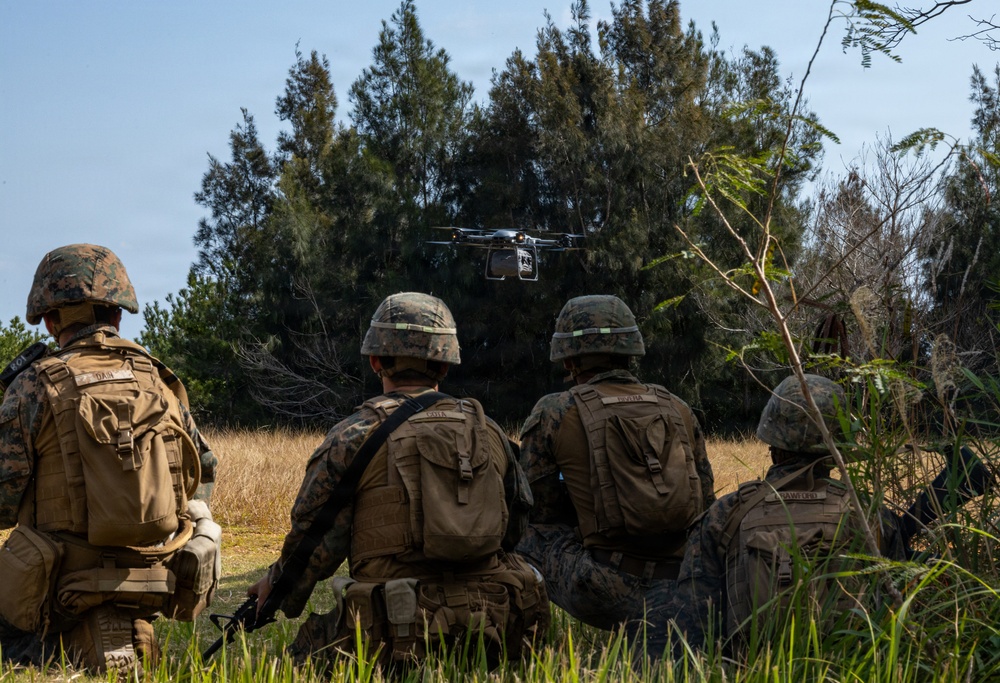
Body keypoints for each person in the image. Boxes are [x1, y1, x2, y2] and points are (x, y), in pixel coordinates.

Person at [248, 292, 547, 670]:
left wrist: (276, 593)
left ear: (376, 360)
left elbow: (314, 545)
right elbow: (516, 527)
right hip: (492, 627)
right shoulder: (489, 432)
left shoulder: (352, 435)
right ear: (445, 365)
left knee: (302, 656)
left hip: (396, 635)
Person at [0, 243, 219, 673]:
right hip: (155, 578)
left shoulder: (31, 386)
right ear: (118, 313)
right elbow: (203, 472)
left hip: (61, 583)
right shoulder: (158, 379)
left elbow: (4, 502)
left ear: (49, 319)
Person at [516, 294, 715, 655]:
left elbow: (536, 510)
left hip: (604, 590)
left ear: (569, 356)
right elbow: (706, 501)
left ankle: (528, 646)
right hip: (685, 586)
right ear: (630, 348)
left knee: (522, 536)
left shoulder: (555, 410)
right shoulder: (677, 407)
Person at [668, 373, 909, 653]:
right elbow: (898, 618)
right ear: (838, 447)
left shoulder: (726, 514)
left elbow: (691, 628)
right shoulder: (871, 515)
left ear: (773, 448)